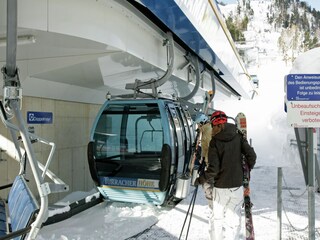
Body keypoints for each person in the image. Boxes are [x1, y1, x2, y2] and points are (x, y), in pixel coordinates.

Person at [195, 110, 256, 240]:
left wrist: (200, 179)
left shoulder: (215, 142)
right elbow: (252, 156)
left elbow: (214, 170)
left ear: (219, 125)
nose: (212, 130)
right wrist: (245, 171)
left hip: (220, 189)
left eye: (213, 126)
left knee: (217, 219)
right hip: (237, 187)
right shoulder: (238, 135)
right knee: (233, 221)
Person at [192, 112, 214, 208]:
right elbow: (205, 148)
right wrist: (202, 158)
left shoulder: (208, 131)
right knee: (208, 185)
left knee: (208, 185)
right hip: (208, 161)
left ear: (202, 122)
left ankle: (214, 207)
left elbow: (210, 148)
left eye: (198, 124)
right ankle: (214, 206)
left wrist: (206, 162)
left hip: (211, 163)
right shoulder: (206, 130)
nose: (197, 126)